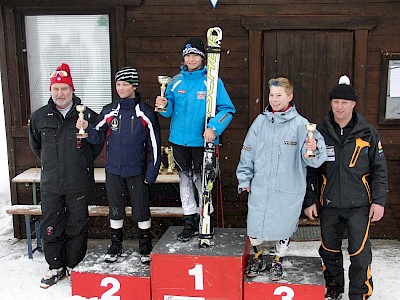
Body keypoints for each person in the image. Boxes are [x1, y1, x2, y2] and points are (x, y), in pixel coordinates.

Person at [303, 75, 388, 300]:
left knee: (359, 254)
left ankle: (359, 293)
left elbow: (379, 170)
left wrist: (378, 201)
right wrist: (310, 200)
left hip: (359, 205)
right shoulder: (319, 132)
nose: (339, 107)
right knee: (329, 251)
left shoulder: (368, 133)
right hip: (329, 204)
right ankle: (334, 288)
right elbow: (311, 170)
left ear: (353, 105)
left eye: (344, 102)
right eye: (335, 102)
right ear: (331, 104)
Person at [236, 77, 327, 281]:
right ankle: (258, 256)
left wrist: (312, 150)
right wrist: (244, 178)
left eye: (279, 95)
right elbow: (248, 151)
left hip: (288, 188)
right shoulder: (260, 122)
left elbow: (315, 160)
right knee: (255, 226)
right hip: (260, 186)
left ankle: (277, 260)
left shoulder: (301, 125)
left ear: (290, 97)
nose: (275, 100)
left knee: (284, 227)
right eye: (272, 95)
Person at [76, 66, 161, 264]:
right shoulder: (109, 111)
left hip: (137, 170)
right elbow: (97, 138)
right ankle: (115, 245)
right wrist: (86, 128)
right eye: (118, 84)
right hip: (113, 170)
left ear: (134, 86)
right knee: (115, 208)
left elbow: (155, 145)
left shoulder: (145, 113)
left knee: (141, 210)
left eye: (125, 84)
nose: (121, 88)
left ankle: (145, 246)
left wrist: (151, 173)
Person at [155, 37, 236, 242]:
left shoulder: (213, 81)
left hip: (202, 142)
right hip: (179, 141)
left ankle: (205, 220)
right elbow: (168, 112)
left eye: (195, 55)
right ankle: (189, 221)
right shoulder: (174, 81)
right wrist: (163, 106)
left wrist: (214, 128)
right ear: (184, 57)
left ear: (202, 58)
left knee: (203, 183)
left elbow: (227, 110)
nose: (191, 59)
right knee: (185, 181)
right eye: (188, 55)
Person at [29, 63, 102, 288]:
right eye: (56, 89)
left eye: (64, 89)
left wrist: (87, 133)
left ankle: (73, 264)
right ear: (51, 91)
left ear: (72, 90)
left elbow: (98, 144)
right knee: (51, 224)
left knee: (76, 224)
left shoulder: (87, 114)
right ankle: (55, 266)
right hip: (51, 182)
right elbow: (36, 147)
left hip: (78, 181)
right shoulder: (40, 116)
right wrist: (53, 164)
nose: (60, 94)